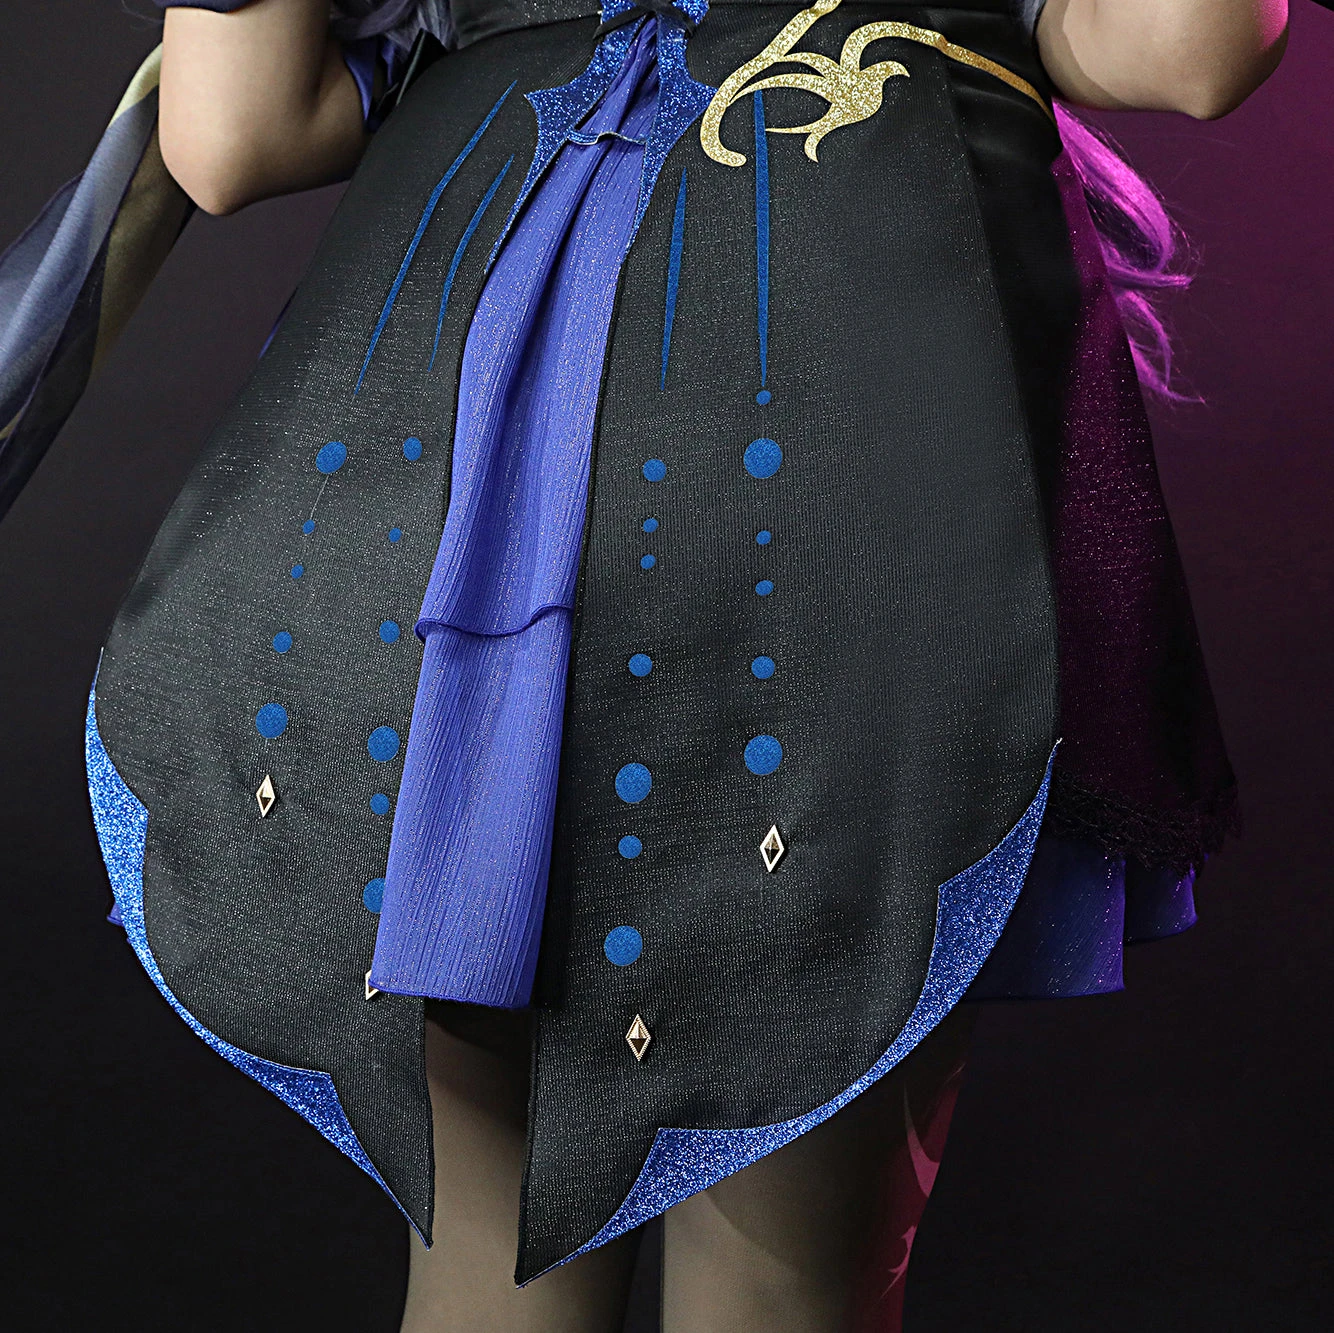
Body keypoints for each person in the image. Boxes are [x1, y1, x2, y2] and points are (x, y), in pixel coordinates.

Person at [0, 2, 1288, 1329]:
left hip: (471, 477)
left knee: (489, 1276)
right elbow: (1184, 52)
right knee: (783, 1289)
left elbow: (234, 135)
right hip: (843, 452)